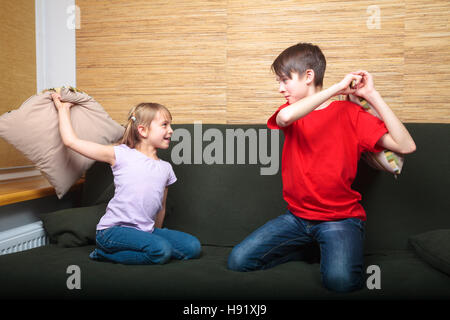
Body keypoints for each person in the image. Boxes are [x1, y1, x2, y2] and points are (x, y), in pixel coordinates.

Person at [227, 43, 416, 292]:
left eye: (285, 80)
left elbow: (406, 145)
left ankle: (325, 248)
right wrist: (337, 88)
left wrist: (371, 95)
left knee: (340, 282)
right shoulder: (290, 112)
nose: (280, 88)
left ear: (308, 76)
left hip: (340, 220)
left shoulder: (350, 114)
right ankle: (307, 248)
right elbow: (284, 119)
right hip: (297, 218)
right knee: (238, 261)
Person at [52, 94, 201, 265]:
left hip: (145, 231)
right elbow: (71, 142)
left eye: (170, 125)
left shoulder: (165, 168)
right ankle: (103, 254)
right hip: (112, 232)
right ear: (143, 130)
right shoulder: (120, 154)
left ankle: (154, 247)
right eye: (164, 125)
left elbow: (161, 207)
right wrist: (63, 109)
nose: (171, 130)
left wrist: (155, 235)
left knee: (193, 246)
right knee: (161, 250)